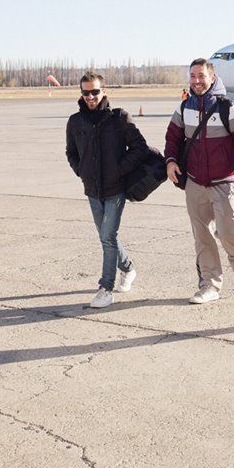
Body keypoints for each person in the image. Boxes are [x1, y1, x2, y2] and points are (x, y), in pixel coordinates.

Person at [164, 58, 234, 304]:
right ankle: (210, 285)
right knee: (202, 236)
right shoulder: (184, 108)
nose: (196, 81)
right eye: (193, 76)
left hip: (224, 182)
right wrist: (170, 161)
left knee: (227, 233)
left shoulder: (229, 108)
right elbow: (172, 138)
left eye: (201, 76)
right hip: (195, 182)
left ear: (212, 78)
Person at [66, 72, 149, 309]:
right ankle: (128, 268)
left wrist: (119, 170)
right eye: (86, 92)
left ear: (104, 91)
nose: (90, 96)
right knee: (106, 236)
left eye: (95, 91)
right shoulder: (75, 121)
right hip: (92, 189)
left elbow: (140, 148)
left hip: (115, 189)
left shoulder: (119, 118)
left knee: (108, 237)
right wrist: (81, 171)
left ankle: (106, 289)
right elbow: (71, 152)